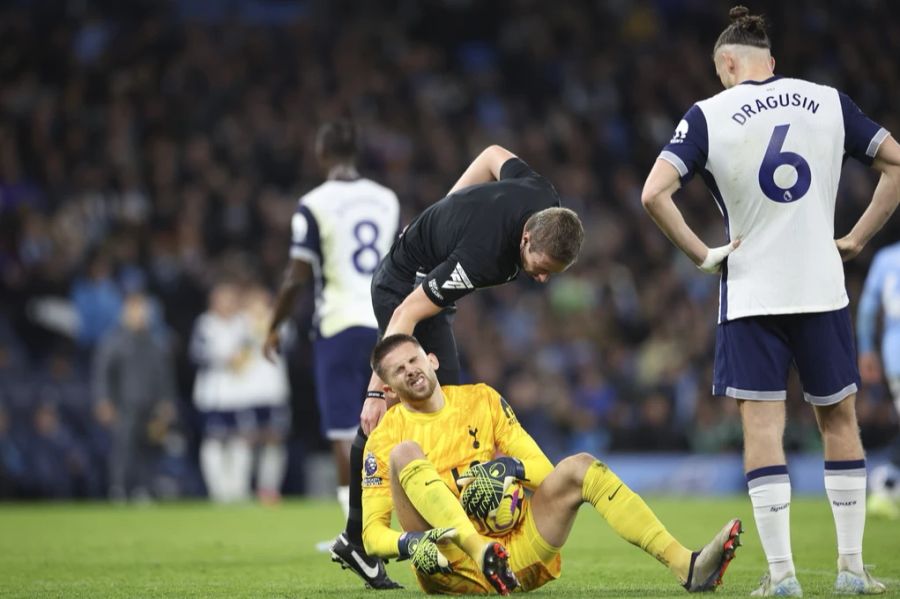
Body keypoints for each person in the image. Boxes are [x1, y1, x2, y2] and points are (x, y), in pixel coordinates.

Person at [640, 6, 900, 596]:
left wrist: (701, 254)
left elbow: (654, 192)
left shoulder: (707, 114)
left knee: (762, 428)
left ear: (728, 64)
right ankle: (853, 571)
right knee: (838, 420)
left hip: (753, 292)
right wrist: (857, 237)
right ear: (773, 64)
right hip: (821, 286)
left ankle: (782, 578)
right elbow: (895, 163)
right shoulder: (828, 100)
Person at [330, 144, 584, 589]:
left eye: (551, 274)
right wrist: (375, 392)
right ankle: (362, 536)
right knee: (419, 412)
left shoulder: (542, 197)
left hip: (428, 289)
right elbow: (406, 313)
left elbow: (490, 155)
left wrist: (442, 216)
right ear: (525, 239)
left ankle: (433, 536)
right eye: (539, 268)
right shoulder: (482, 258)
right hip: (401, 291)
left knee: (448, 412)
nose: (541, 280)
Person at [360, 334, 741, 595]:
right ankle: (479, 550)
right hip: (450, 564)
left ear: (432, 359)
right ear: (389, 389)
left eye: (413, 359)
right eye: (398, 370)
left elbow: (542, 470)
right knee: (404, 453)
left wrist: (511, 469)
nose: (411, 369)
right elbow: (372, 536)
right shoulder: (385, 435)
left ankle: (687, 566)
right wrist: (411, 543)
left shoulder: (482, 399)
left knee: (579, 467)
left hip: (516, 554)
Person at [262, 120, 400, 555]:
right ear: (355, 152)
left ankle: (354, 532)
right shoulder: (386, 199)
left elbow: (296, 275)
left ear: (321, 153)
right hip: (384, 321)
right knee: (390, 422)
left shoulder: (313, 203)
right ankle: (387, 523)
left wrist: (274, 324)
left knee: (344, 427)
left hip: (339, 324)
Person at [92, 292, 177, 500]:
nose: (140, 315)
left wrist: (167, 401)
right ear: (125, 312)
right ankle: (119, 488)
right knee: (123, 449)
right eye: (135, 310)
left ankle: (143, 489)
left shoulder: (154, 342)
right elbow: (102, 374)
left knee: (148, 450)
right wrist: (103, 401)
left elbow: (164, 376)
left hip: (150, 406)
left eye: (143, 311)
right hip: (124, 405)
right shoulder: (113, 341)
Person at [190, 281, 255, 503]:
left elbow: (250, 348)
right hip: (213, 394)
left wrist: (242, 356)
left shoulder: (242, 323)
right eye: (222, 299)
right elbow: (196, 354)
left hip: (239, 393)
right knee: (214, 441)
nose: (227, 304)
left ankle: (238, 489)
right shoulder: (205, 324)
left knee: (240, 440)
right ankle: (218, 491)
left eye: (230, 299)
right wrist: (224, 358)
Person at [857, 241, 900, 520]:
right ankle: (886, 482)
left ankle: (887, 482)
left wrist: (866, 349)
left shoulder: (886, 257)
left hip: (894, 353)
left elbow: (867, 311)